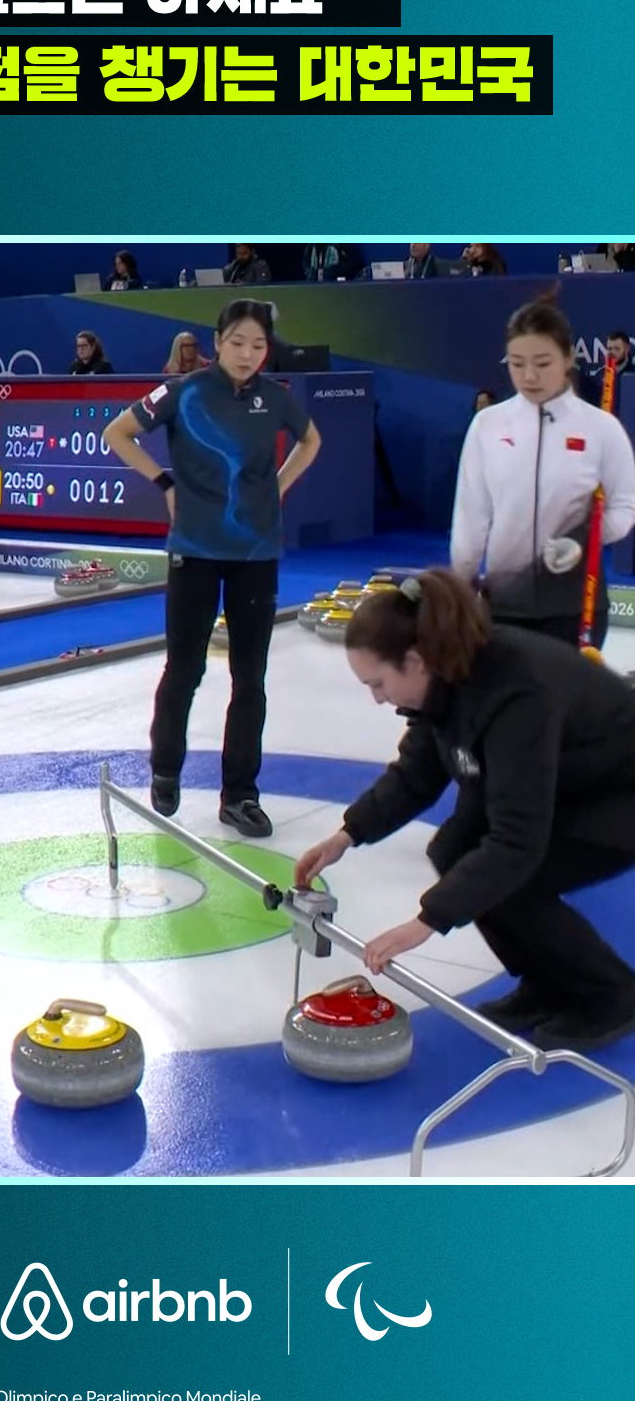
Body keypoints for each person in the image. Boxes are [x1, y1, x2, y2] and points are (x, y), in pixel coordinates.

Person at [294, 569, 635, 1049]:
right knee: (456, 849)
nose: (376, 698)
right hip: (564, 780)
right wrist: (346, 835)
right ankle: (546, 983)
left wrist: (426, 922)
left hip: (617, 795)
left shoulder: (515, 693)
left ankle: (609, 994)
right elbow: (416, 775)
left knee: (515, 880)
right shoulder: (447, 676)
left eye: (378, 682)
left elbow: (517, 841)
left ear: (413, 661)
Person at [103, 298, 321, 836]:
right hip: (195, 551)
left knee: (250, 678)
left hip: (255, 554)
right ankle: (166, 771)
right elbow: (117, 432)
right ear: (217, 341)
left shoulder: (275, 398)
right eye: (238, 342)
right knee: (186, 669)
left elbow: (311, 440)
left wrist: (278, 486)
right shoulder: (182, 392)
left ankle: (240, 795)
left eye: (259, 345)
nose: (248, 354)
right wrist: (164, 482)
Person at [450, 294, 635, 649]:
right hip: (503, 605)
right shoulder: (487, 425)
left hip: (576, 606)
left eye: (542, 363)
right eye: (517, 364)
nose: (529, 376)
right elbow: (471, 516)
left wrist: (581, 541)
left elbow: (624, 507)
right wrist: (460, 585)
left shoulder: (601, 429)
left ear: (568, 359)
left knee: (567, 704)